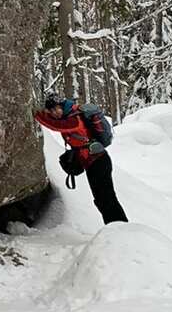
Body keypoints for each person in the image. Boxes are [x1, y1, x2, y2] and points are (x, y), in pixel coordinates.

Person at [34, 92, 128, 224]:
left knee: (106, 198)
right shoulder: (67, 116)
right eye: (51, 111)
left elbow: (58, 126)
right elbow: (57, 122)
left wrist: (36, 115)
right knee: (100, 199)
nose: (54, 113)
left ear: (61, 105)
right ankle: (114, 227)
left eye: (56, 108)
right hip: (91, 163)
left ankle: (120, 227)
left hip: (99, 161)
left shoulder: (75, 117)